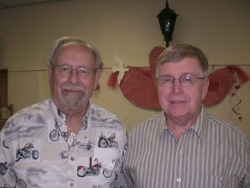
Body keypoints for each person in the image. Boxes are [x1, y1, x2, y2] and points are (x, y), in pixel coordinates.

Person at [0, 37, 127, 188]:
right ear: (50, 74)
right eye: (64, 69)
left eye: (83, 71)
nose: (74, 79)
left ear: (96, 77)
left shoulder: (115, 129)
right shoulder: (16, 128)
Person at [123, 44, 250, 188]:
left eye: (187, 79)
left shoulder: (237, 144)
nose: (176, 89)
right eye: (167, 79)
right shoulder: (134, 139)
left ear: (204, 86)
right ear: (156, 86)